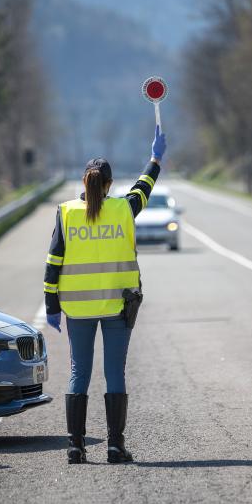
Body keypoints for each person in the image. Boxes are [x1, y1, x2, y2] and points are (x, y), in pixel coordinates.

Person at [44, 125, 167, 464]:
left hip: (77, 310)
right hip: (117, 306)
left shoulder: (66, 213)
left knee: (77, 373)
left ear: (84, 183)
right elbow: (144, 186)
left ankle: (75, 447)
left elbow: (53, 263)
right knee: (115, 372)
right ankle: (115, 446)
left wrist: (51, 305)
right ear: (109, 184)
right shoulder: (124, 208)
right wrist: (155, 158)